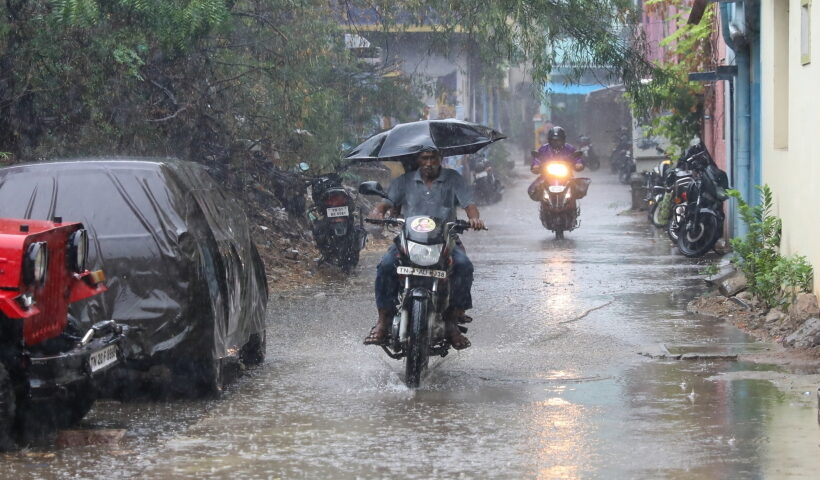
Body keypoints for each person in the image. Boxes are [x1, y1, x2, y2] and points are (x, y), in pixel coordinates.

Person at [363, 147, 485, 350]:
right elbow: (385, 204)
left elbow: (469, 204)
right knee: (385, 267)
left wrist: (474, 219)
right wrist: (377, 212)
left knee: (464, 267)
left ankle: (451, 321)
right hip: (409, 239)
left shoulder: (453, 179)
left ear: (441, 159)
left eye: (433, 158)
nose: (429, 163)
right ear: (418, 160)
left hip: (445, 238)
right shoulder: (404, 181)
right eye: (424, 158)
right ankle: (383, 322)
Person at [528, 126, 581, 199]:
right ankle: (543, 204)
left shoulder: (569, 148)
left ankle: (573, 206)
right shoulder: (544, 148)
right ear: (549, 140)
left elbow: (577, 157)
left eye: (559, 140)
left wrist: (579, 163)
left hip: (567, 176)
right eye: (554, 140)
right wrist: (536, 165)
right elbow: (537, 158)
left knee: (578, 189)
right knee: (533, 190)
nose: (556, 143)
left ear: (563, 140)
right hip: (547, 175)